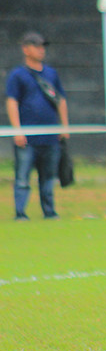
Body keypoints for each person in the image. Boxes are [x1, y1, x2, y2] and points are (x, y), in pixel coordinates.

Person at [5, 31, 69, 220]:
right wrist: (17, 130)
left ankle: (49, 212)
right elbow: (12, 102)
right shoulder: (17, 75)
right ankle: (20, 213)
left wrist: (64, 126)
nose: (41, 50)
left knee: (48, 178)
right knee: (22, 178)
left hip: (50, 137)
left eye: (42, 47)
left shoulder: (51, 73)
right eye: (37, 46)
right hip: (27, 137)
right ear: (26, 49)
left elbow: (61, 100)